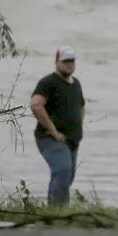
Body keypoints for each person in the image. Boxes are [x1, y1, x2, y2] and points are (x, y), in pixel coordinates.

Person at [31, 46, 85, 207]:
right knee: (63, 169)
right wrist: (53, 130)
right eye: (65, 61)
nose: (69, 64)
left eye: (72, 61)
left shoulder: (76, 84)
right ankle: (55, 211)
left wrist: (78, 128)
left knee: (67, 177)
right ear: (57, 62)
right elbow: (36, 105)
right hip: (50, 138)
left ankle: (61, 211)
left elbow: (81, 106)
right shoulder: (48, 82)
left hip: (72, 140)